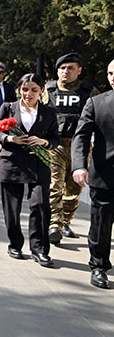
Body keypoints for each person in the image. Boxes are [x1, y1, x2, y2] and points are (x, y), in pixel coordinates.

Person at [0, 73, 59, 266]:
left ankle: (39, 249)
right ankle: (15, 244)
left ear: (41, 91)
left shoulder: (49, 112)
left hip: (39, 165)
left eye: (33, 90)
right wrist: (9, 139)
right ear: (19, 89)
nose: (28, 94)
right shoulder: (8, 107)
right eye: (24, 89)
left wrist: (44, 141)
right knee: (12, 209)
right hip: (12, 163)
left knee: (40, 206)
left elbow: (55, 139)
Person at [46, 53, 98, 243]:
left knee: (74, 187)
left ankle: (66, 221)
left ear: (79, 71)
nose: (65, 72)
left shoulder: (88, 91)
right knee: (54, 185)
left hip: (80, 145)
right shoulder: (48, 89)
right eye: (62, 68)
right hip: (54, 144)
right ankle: (54, 224)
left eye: (70, 68)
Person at [72, 58, 114, 289]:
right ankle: (98, 266)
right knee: (101, 224)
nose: (113, 77)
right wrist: (79, 165)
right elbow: (81, 136)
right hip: (105, 174)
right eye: (109, 73)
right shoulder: (96, 103)